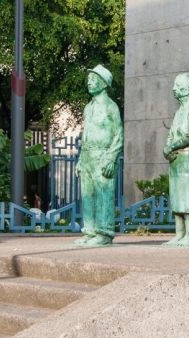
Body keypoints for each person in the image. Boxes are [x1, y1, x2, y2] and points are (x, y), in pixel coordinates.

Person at [74, 64, 124, 246]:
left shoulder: (111, 107)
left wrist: (111, 158)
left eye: (94, 79)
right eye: (89, 79)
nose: (90, 82)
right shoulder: (88, 107)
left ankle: (104, 232)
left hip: (103, 155)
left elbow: (118, 134)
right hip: (88, 155)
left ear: (103, 84)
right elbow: (85, 134)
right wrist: (80, 159)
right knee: (87, 195)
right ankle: (89, 230)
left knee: (103, 194)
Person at [162, 72, 189, 247]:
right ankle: (179, 234)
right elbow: (171, 134)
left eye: (178, 86)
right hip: (176, 158)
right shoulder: (179, 111)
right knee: (177, 196)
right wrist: (167, 147)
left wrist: (172, 146)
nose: (174, 89)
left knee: (188, 194)